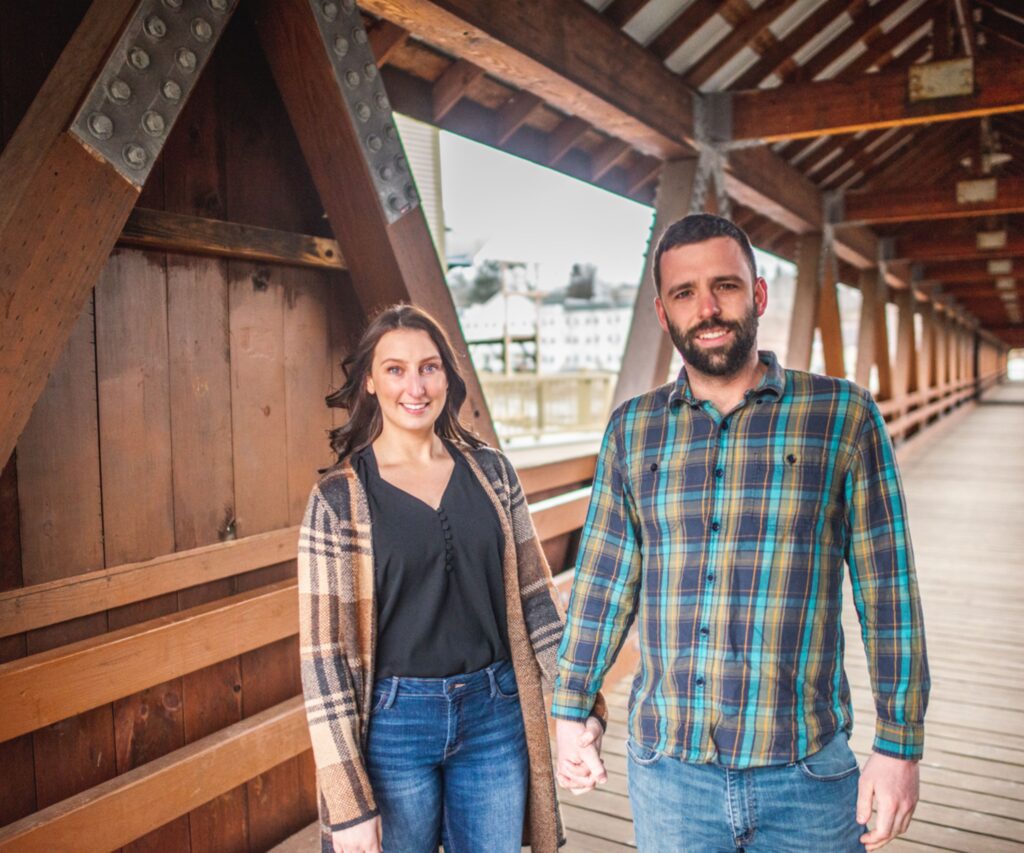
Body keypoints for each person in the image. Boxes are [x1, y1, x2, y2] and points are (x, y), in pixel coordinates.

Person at [552, 214, 929, 852]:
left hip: (806, 769)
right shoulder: (633, 430)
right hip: (668, 772)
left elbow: (887, 591)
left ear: (757, 295)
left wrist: (899, 746)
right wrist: (571, 708)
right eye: (684, 293)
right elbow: (603, 583)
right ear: (661, 312)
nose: (707, 308)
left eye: (725, 286)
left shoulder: (841, 415)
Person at [297, 304, 605, 853]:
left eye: (429, 367)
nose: (414, 386)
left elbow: (539, 606)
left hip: (495, 714)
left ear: (447, 377)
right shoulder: (338, 501)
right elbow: (324, 661)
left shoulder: (492, 474)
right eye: (395, 370)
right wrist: (347, 804)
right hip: (393, 728)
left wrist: (576, 708)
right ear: (369, 381)